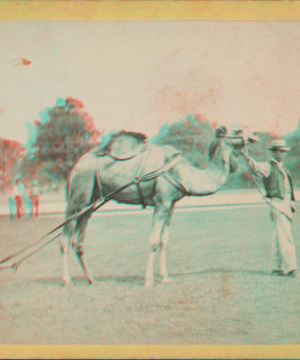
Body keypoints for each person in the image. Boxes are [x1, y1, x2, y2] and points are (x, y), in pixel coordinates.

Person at [243, 139, 299, 278]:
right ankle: (291, 268)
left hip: (284, 203)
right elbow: (255, 167)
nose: (283, 154)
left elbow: (288, 186)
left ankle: (275, 268)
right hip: (276, 203)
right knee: (285, 236)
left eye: (284, 151)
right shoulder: (268, 166)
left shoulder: (283, 168)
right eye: (280, 151)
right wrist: (246, 154)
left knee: (278, 236)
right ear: (274, 152)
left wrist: (291, 201)